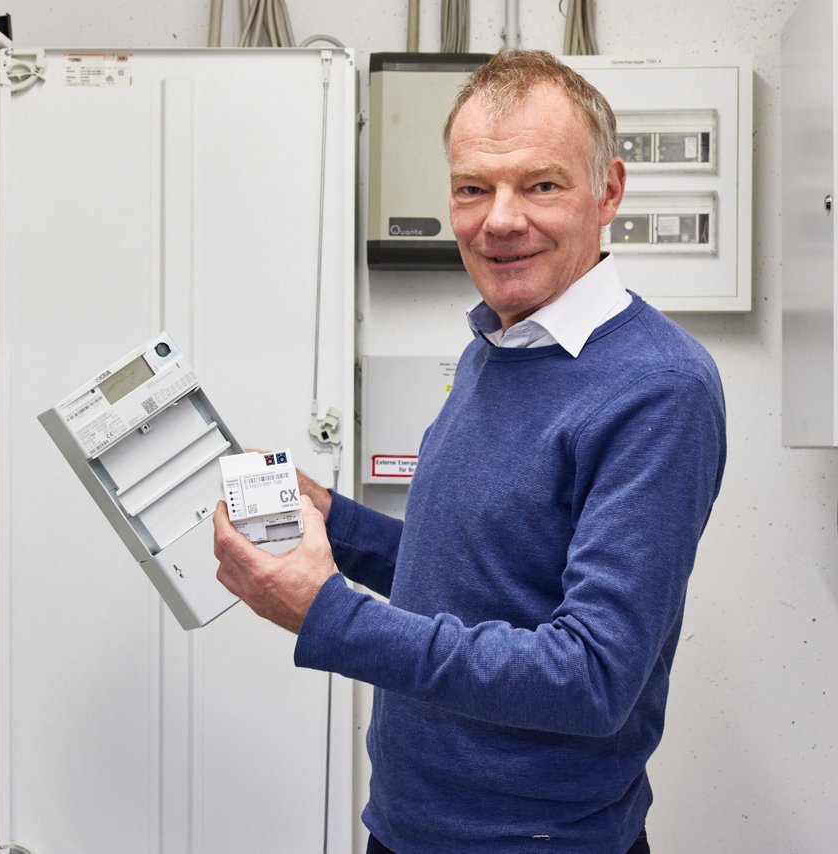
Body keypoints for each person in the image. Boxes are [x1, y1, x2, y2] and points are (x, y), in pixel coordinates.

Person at [213, 50, 726, 854]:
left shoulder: (659, 388)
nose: (500, 220)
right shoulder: (502, 343)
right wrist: (333, 522)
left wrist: (329, 615)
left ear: (609, 192)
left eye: (541, 184)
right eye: (472, 188)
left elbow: (591, 677)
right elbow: (477, 567)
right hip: (411, 823)